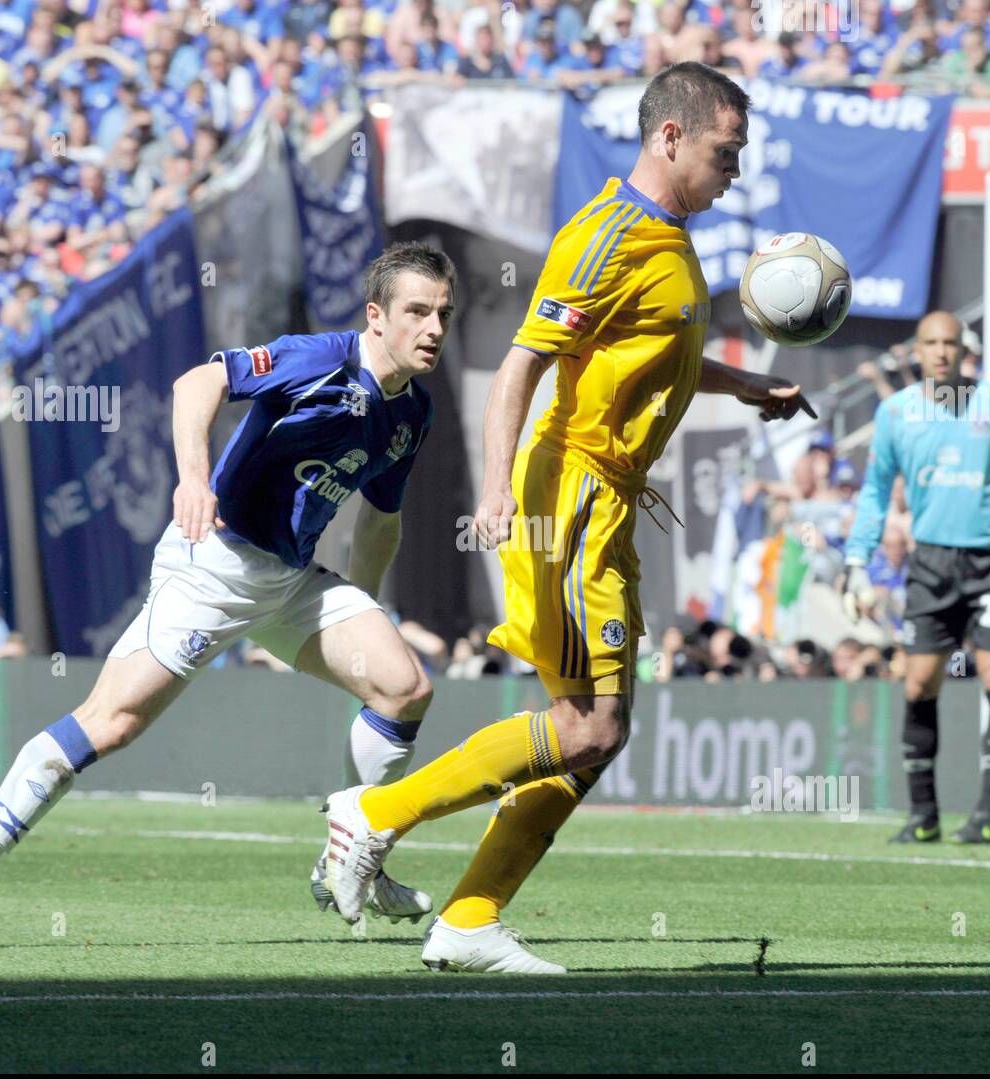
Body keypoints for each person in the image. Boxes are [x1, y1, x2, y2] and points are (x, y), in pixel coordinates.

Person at [320, 63, 813, 973]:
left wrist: (744, 384)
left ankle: (468, 918)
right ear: (671, 137)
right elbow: (522, 363)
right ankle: (373, 813)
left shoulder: (670, 237)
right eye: (724, 151)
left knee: (587, 731)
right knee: (592, 726)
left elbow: (649, 354)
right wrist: (498, 489)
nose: (733, 170)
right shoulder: (608, 234)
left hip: (607, 498)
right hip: (572, 494)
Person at [0, 243, 455, 950]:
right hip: (214, 564)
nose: (433, 328)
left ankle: (354, 850)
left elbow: (380, 521)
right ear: (376, 316)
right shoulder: (320, 357)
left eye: (443, 314)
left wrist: (358, 608)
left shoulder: (411, 414)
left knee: (403, 685)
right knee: (108, 723)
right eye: (417, 311)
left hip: (290, 580)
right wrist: (194, 478)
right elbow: (194, 384)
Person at [842, 312, 990, 845]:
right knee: (917, 682)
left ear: (964, 349)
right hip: (932, 563)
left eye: (950, 342)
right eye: (931, 343)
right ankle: (924, 816)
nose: (941, 352)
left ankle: (989, 813)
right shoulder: (895, 413)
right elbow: (875, 491)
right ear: (916, 351)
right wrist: (856, 562)